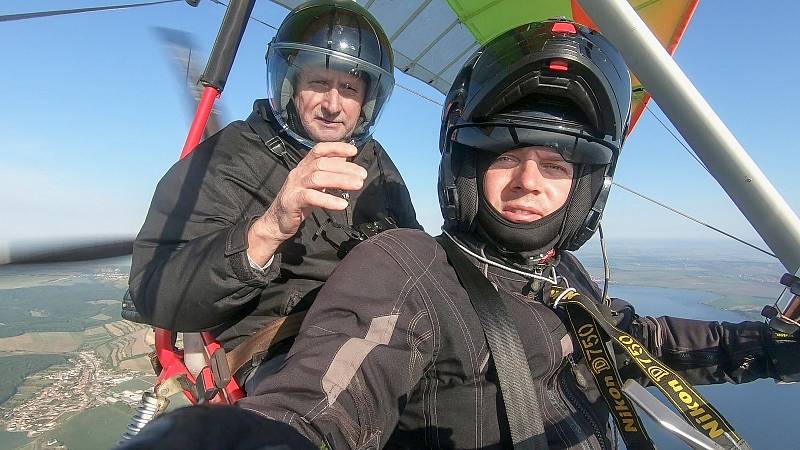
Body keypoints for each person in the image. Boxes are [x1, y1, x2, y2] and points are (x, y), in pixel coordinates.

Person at [122, 20, 800, 450]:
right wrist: (271, 226)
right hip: (291, 348)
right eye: (506, 157)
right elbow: (330, 391)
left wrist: (773, 348)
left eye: (557, 165)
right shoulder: (235, 165)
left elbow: (638, 339)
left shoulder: (557, 275)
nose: (530, 183)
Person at [128, 0, 420, 373]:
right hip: (281, 351)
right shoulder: (232, 155)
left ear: (366, 100)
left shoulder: (375, 162)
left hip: (383, 332)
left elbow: (416, 253)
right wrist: (269, 228)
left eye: (348, 88)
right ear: (290, 86)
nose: (333, 104)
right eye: (318, 83)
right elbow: (155, 292)